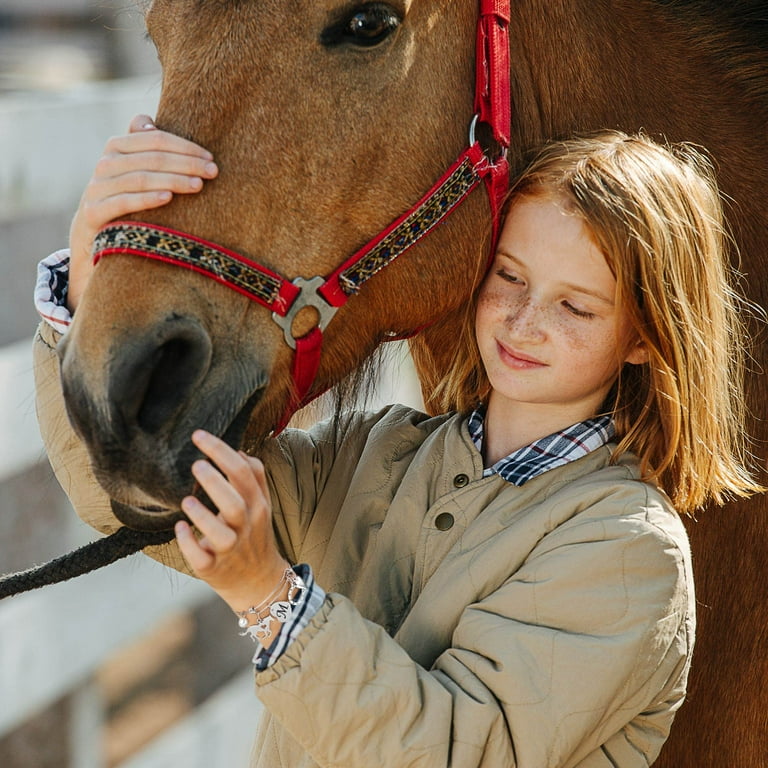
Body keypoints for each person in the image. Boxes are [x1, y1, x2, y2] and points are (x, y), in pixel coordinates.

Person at [33, 117, 763, 767]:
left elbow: (454, 754)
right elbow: (144, 489)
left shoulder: (626, 552)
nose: (525, 319)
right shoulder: (370, 452)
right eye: (510, 275)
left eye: (575, 305)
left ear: (644, 336)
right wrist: (91, 283)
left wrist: (267, 593)